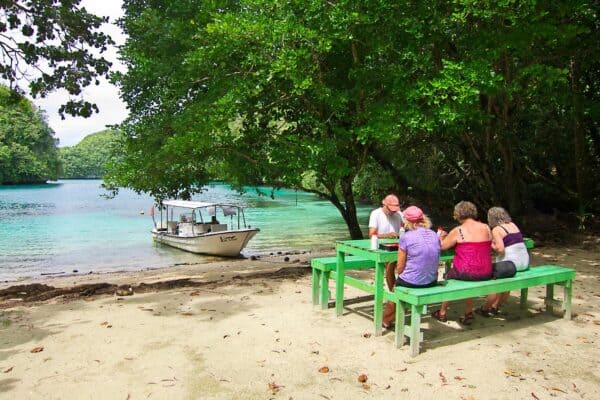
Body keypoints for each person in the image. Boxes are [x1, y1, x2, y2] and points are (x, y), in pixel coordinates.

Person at [432, 201, 492, 325]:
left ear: (458, 214)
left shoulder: (458, 230)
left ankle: (442, 312)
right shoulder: (486, 227)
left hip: (465, 271)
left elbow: (442, 246)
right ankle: (468, 311)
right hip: (486, 271)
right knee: (466, 278)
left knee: (444, 276)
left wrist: (441, 237)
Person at [382, 206, 440, 328]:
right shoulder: (434, 234)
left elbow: (401, 267)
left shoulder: (406, 237)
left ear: (407, 221)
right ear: (423, 219)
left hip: (413, 282)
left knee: (395, 288)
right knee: (405, 281)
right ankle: (396, 314)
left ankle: (386, 320)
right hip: (431, 281)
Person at [478, 207, 530, 316]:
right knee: (506, 280)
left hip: (511, 264)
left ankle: (486, 307)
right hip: (524, 262)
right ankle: (495, 306)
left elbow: (500, 249)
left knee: (492, 278)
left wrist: (490, 243)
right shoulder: (513, 225)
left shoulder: (497, 229)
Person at [368, 194, 405, 290]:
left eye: (394, 210)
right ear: (384, 205)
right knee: (391, 265)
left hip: (399, 246)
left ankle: (402, 289)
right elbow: (372, 234)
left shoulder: (399, 214)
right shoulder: (376, 214)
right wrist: (387, 235)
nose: (393, 212)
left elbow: (406, 228)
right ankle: (393, 291)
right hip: (382, 247)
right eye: (391, 210)